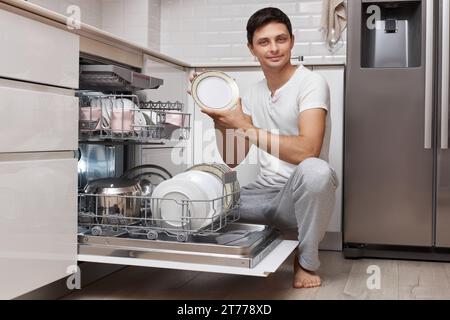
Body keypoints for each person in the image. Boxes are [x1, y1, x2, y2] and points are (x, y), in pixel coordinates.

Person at [190, 7, 338, 289]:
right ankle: (263, 238)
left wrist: (243, 124)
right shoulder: (253, 92)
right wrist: (221, 120)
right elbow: (233, 159)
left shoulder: (311, 82)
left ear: (292, 41)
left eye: (280, 39)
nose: (274, 48)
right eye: (264, 42)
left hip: (296, 200)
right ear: (251, 48)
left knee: (316, 171)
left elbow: (308, 150)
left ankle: (306, 261)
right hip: (259, 197)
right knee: (203, 195)